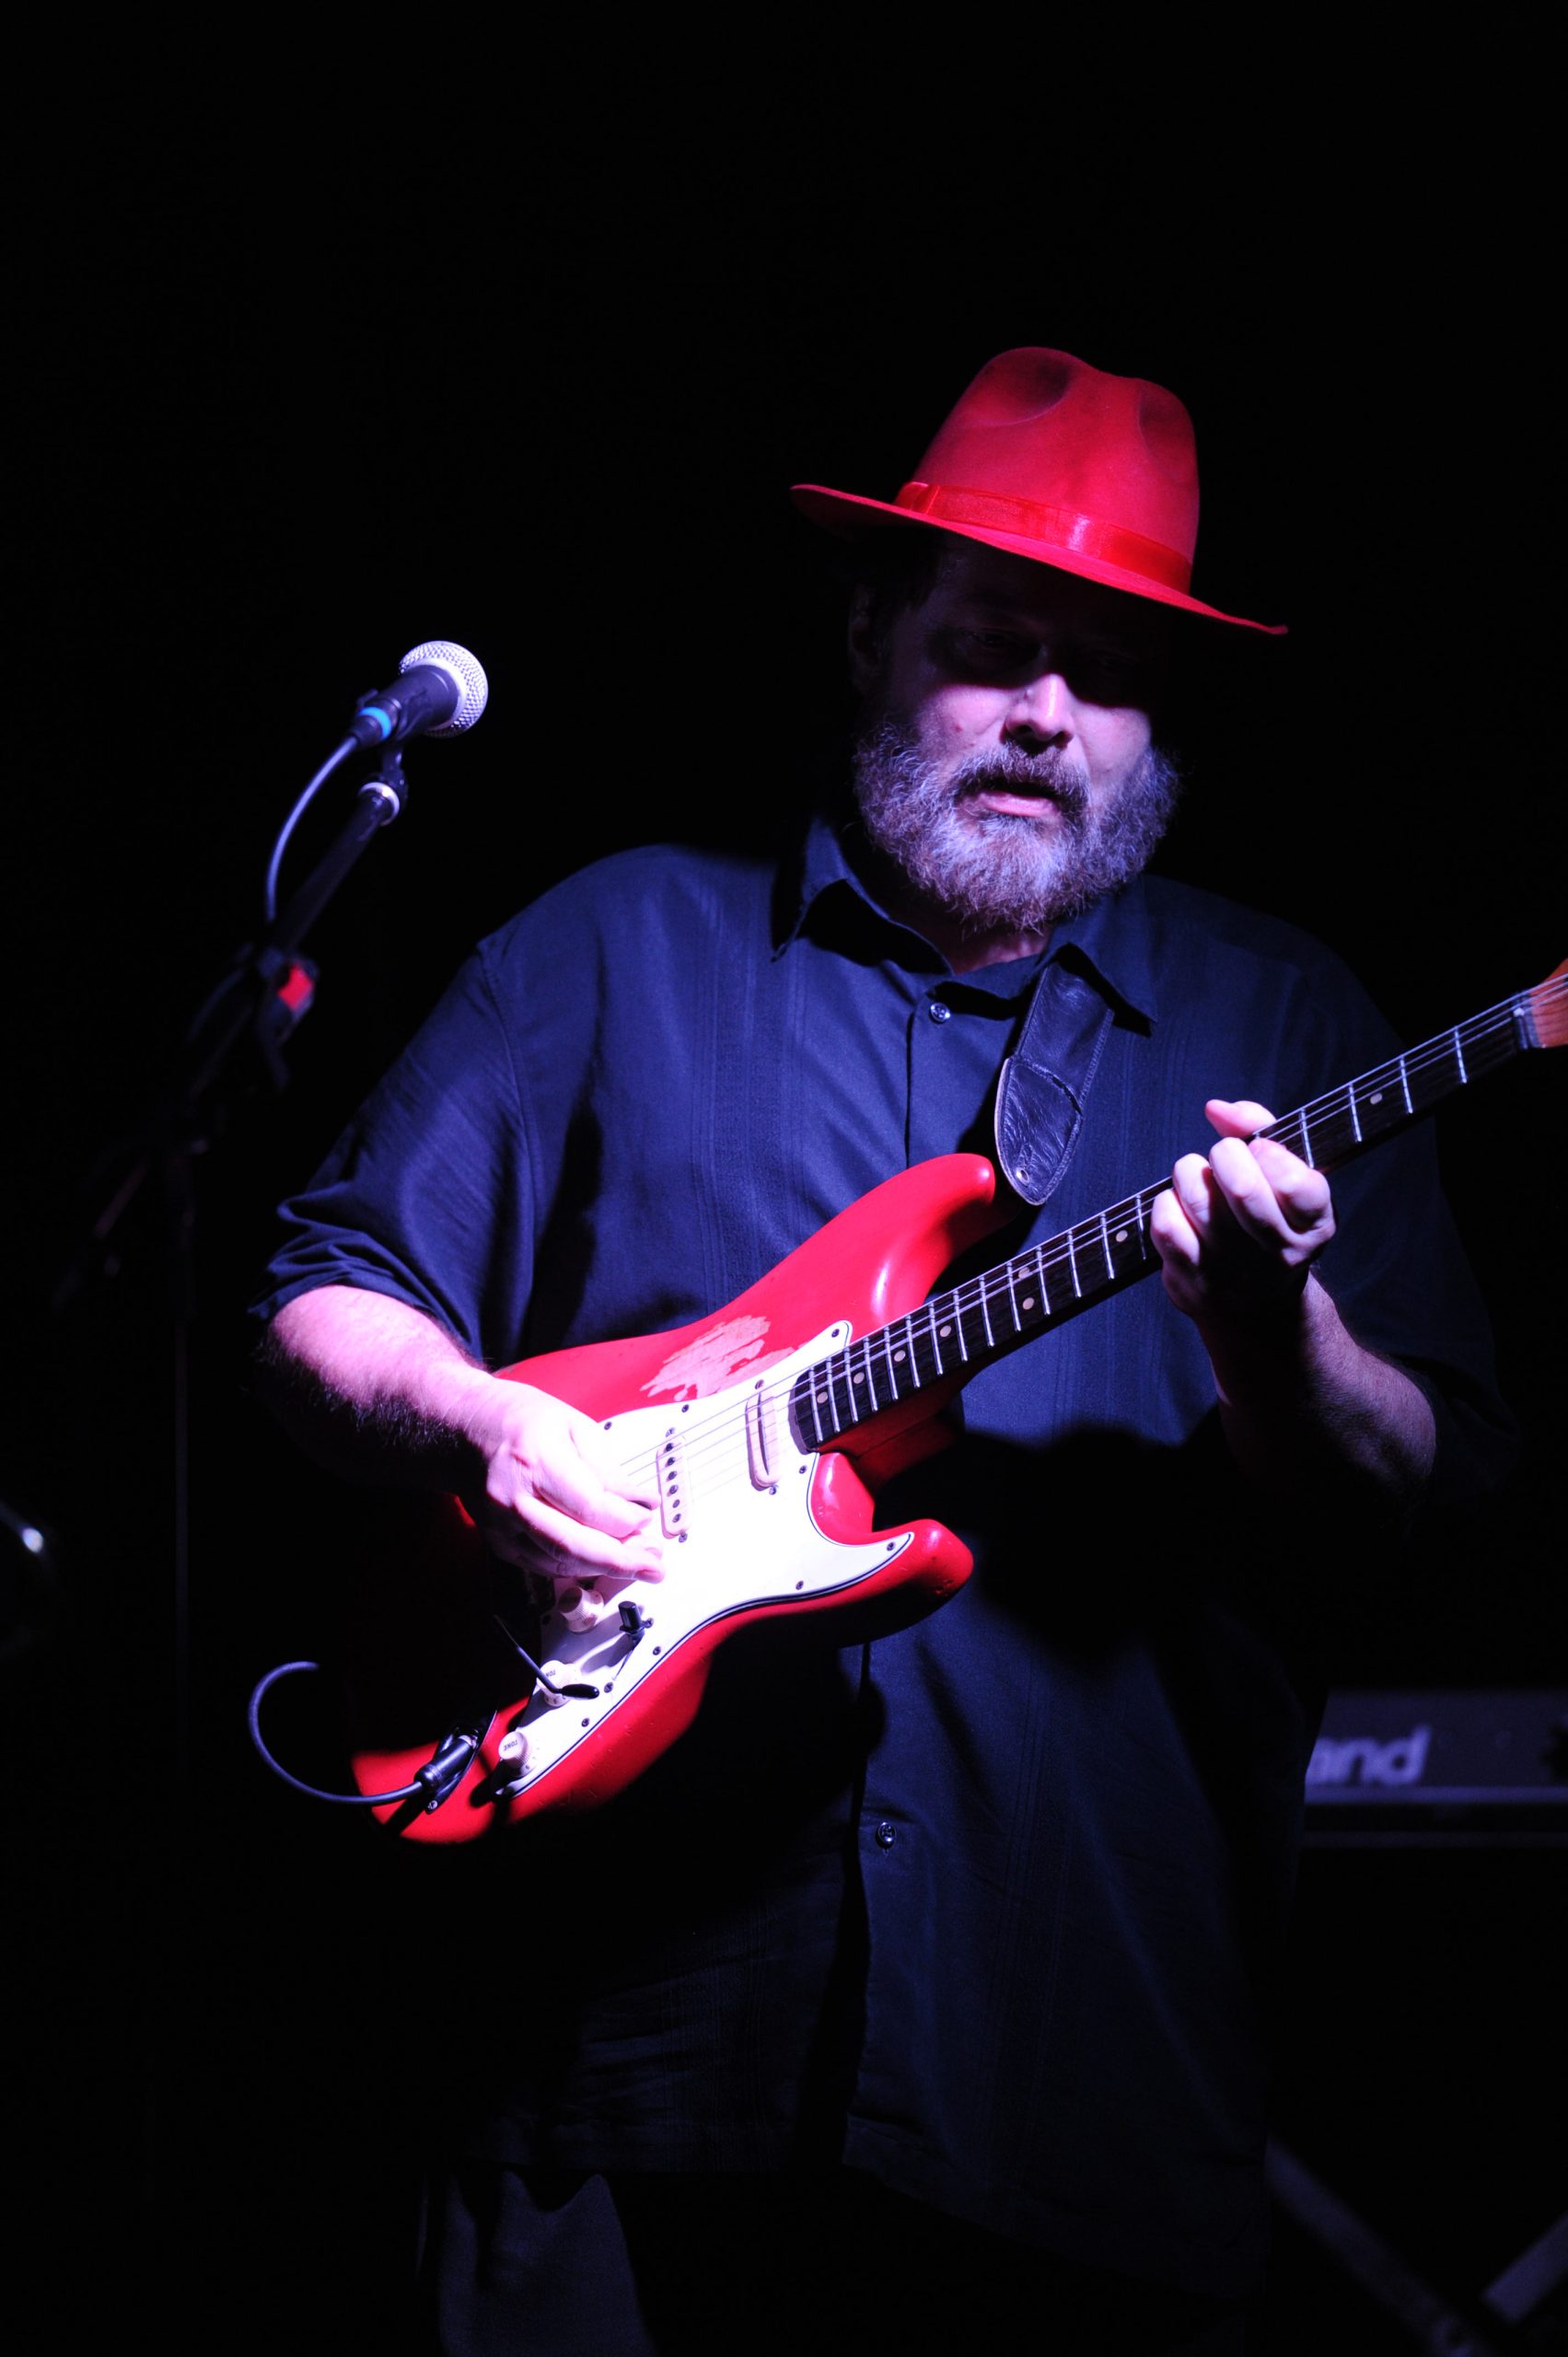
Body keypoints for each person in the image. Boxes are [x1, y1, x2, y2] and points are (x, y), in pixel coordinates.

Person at [251, 349, 1508, 2354]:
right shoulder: (617, 944)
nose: (1046, 713)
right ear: (869, 636)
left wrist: (1276, 1334)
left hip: (1081, 2089)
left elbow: (1423, 1501)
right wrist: (474, 1421)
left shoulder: (1285, 1021)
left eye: (1108, 674)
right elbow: (325, 1287)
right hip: (610, 2073)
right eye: (994, 644)